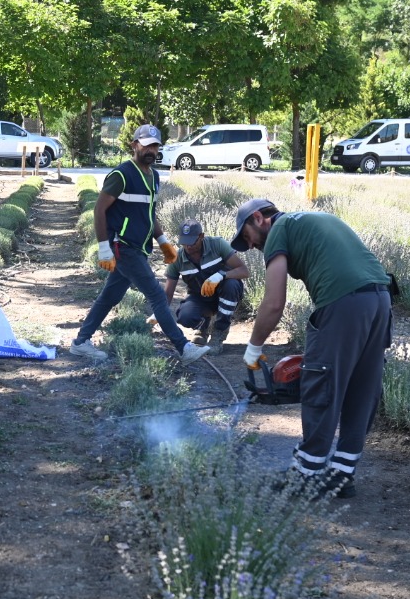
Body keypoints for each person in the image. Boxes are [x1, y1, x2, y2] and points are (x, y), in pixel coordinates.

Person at [231, 198, 392, 496]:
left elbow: (274, 302)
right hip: (380, 300)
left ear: (258, 218)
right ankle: (342, 474)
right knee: (362, 388)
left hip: (343, 303)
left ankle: (306, 474)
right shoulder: (313, 219)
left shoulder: (279, 229)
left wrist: (254, 345)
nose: (250, 246)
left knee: (321, 382)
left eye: (247, 236)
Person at [69, 125, 209, 364]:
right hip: (122, 246)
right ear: (134, 145)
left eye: (155, 146)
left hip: (138, 248)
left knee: (110, 296)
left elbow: (149, 214)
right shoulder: (121, 174)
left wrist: (163, 242)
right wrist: (104, 248)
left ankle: (81, 342)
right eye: (146, 145)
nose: (151, 150)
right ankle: (183, 348)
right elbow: (99, 210)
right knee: (157, 295)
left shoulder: (154, 176)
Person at [162, 220, 250, 354]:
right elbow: (168, 293)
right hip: (200, 297)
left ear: (201, 236)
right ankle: (204, 326)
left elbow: (244, 271)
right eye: (184, 242)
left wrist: (221, 275)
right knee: (185, 317)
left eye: (192, 242)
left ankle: (218, 334)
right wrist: (159, 313)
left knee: (231, 285)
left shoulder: (217, 245)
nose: (188, 246)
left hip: (225, 293)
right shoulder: (177, 258)